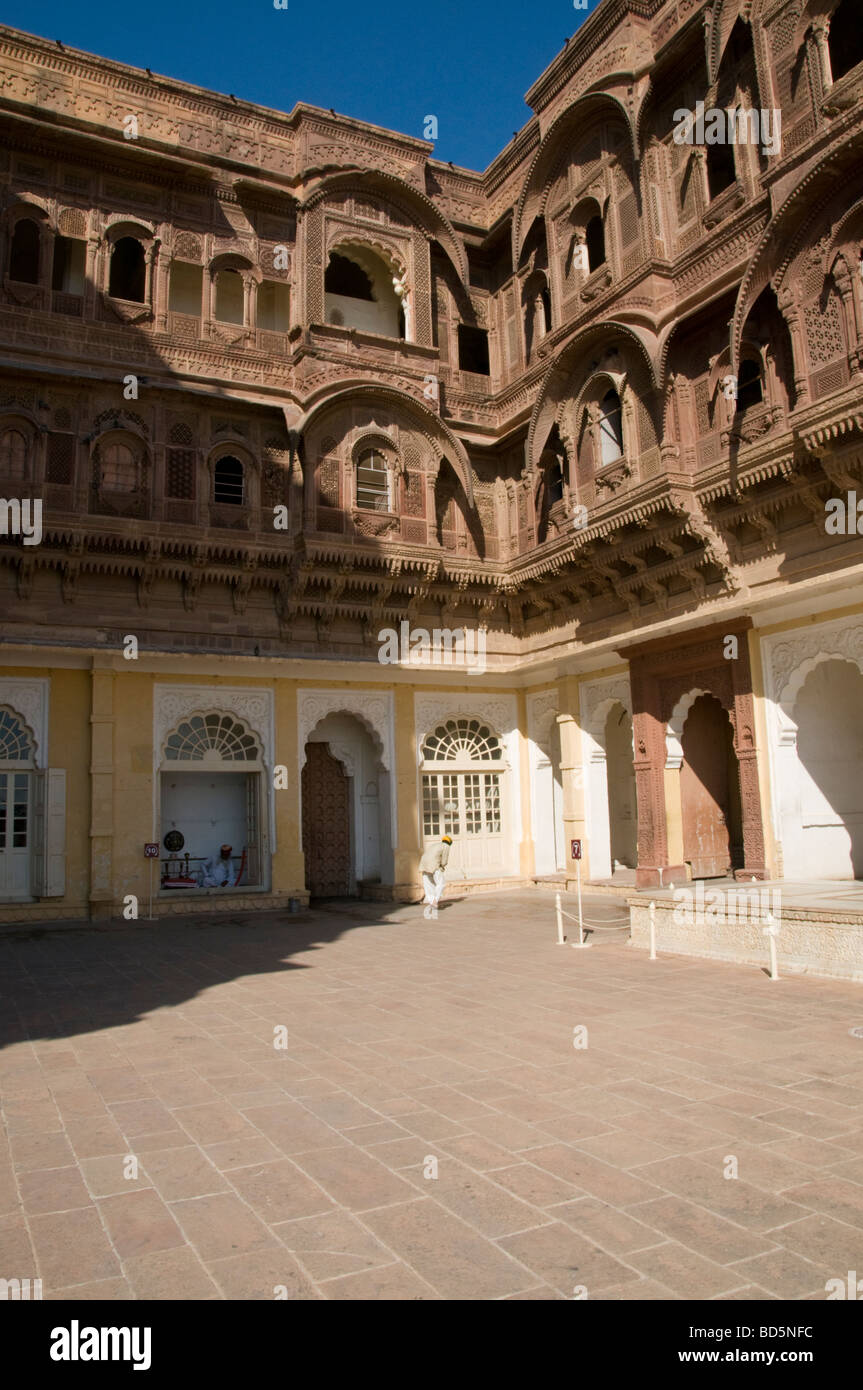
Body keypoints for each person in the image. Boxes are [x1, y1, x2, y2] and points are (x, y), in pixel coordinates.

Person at [419, 835, 452, 918]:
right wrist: (442, 866)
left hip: (424, 864)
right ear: (449, 843)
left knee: (428, 884)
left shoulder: (435, 845)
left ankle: (431, 901)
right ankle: (435, 901)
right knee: (441, 883)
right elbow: (444, 860)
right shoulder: (446, 846)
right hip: (434, 865)